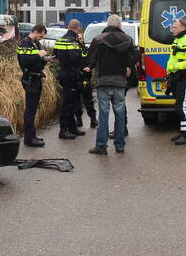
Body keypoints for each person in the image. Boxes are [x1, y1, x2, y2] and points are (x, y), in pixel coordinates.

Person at [86, 15, 136, 155]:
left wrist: (91, 67)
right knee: (120, 114)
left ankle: (101, 146)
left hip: (103, 81)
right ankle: (120, 145)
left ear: (108, 24)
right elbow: (134, 57)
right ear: (119, 25)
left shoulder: (98, 39)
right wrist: (128, 67)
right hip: (120, 81)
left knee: (103, 114)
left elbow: (90, 58)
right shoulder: (127, 39)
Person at [165, 18, 186, 145]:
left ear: (183, 27)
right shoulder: (178, 40)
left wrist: (174, 68)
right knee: (181, 105)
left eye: (175, 27)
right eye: (172, 27)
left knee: (182, 106)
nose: (172, 30)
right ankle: (183, 131)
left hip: (183, 77)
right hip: (176, 77)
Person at [17, 24, 50, 147]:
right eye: (40, 36)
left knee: (33, 108)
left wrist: (45, 60)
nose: (40, 38)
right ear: (35, 32)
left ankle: (32, 135)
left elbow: (36, 61)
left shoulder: (35, 44)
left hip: (36, 77)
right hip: (30, 79)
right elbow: (25, 60)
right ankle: (29, 138)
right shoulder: (25, 44)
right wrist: (39, 55)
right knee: (30, 110)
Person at [53, 19, 87, 139]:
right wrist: (81, 46)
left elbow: (55, 54)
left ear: (68, 27)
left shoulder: (60, 39)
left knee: (71, 102)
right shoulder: (73, 42)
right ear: (77, 28)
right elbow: (77, 58)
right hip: (72, 75)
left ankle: (72, 128)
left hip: (63, 73)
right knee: (67, 103)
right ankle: (63, 130)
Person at [75, 30, 98, 129]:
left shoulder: (87, 50)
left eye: (80, 38)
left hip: (85, 78)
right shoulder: (73, 50)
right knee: (76, 102)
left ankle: (93, 119)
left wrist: (88, 69)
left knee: (88, 101)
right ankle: (79, 120)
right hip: (76, 78)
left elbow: (91, 62)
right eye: (77, 38)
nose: (79, 40)